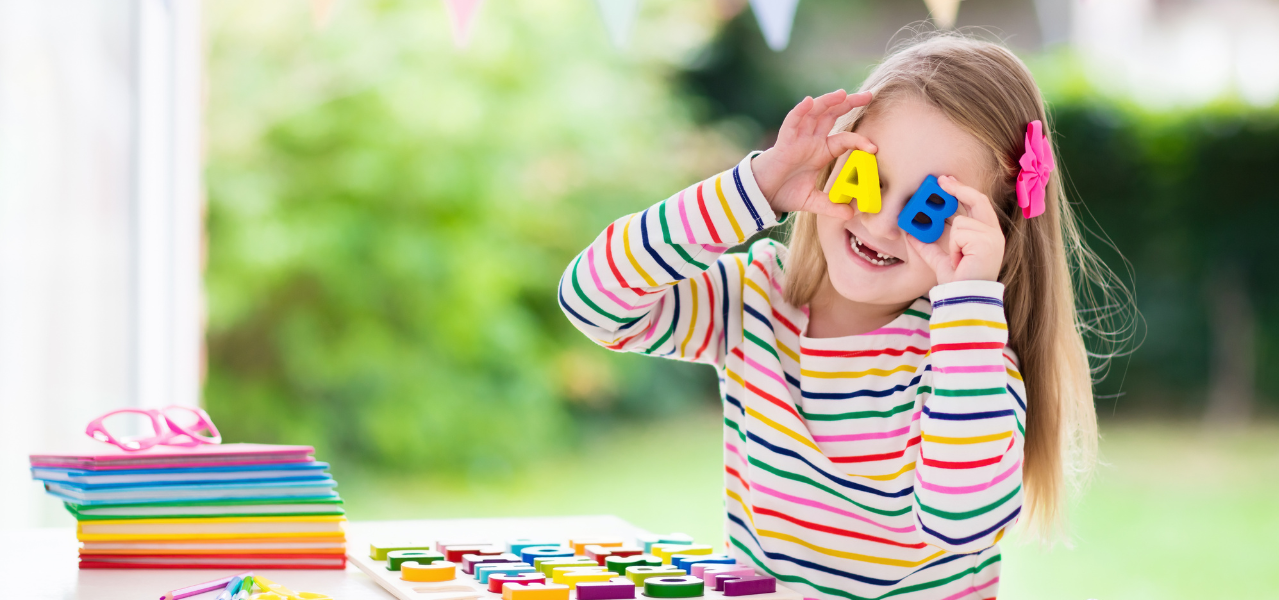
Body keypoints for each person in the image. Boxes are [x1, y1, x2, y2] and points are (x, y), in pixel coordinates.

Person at [558, 33, 1121, 599]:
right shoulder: (755, 299)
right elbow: (592, 302)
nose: (879, 225)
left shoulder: (966, 360)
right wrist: (753, 188)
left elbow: (962, 523)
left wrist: (968, 305)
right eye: (866, 182)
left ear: (987, 230)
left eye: (931, 210)